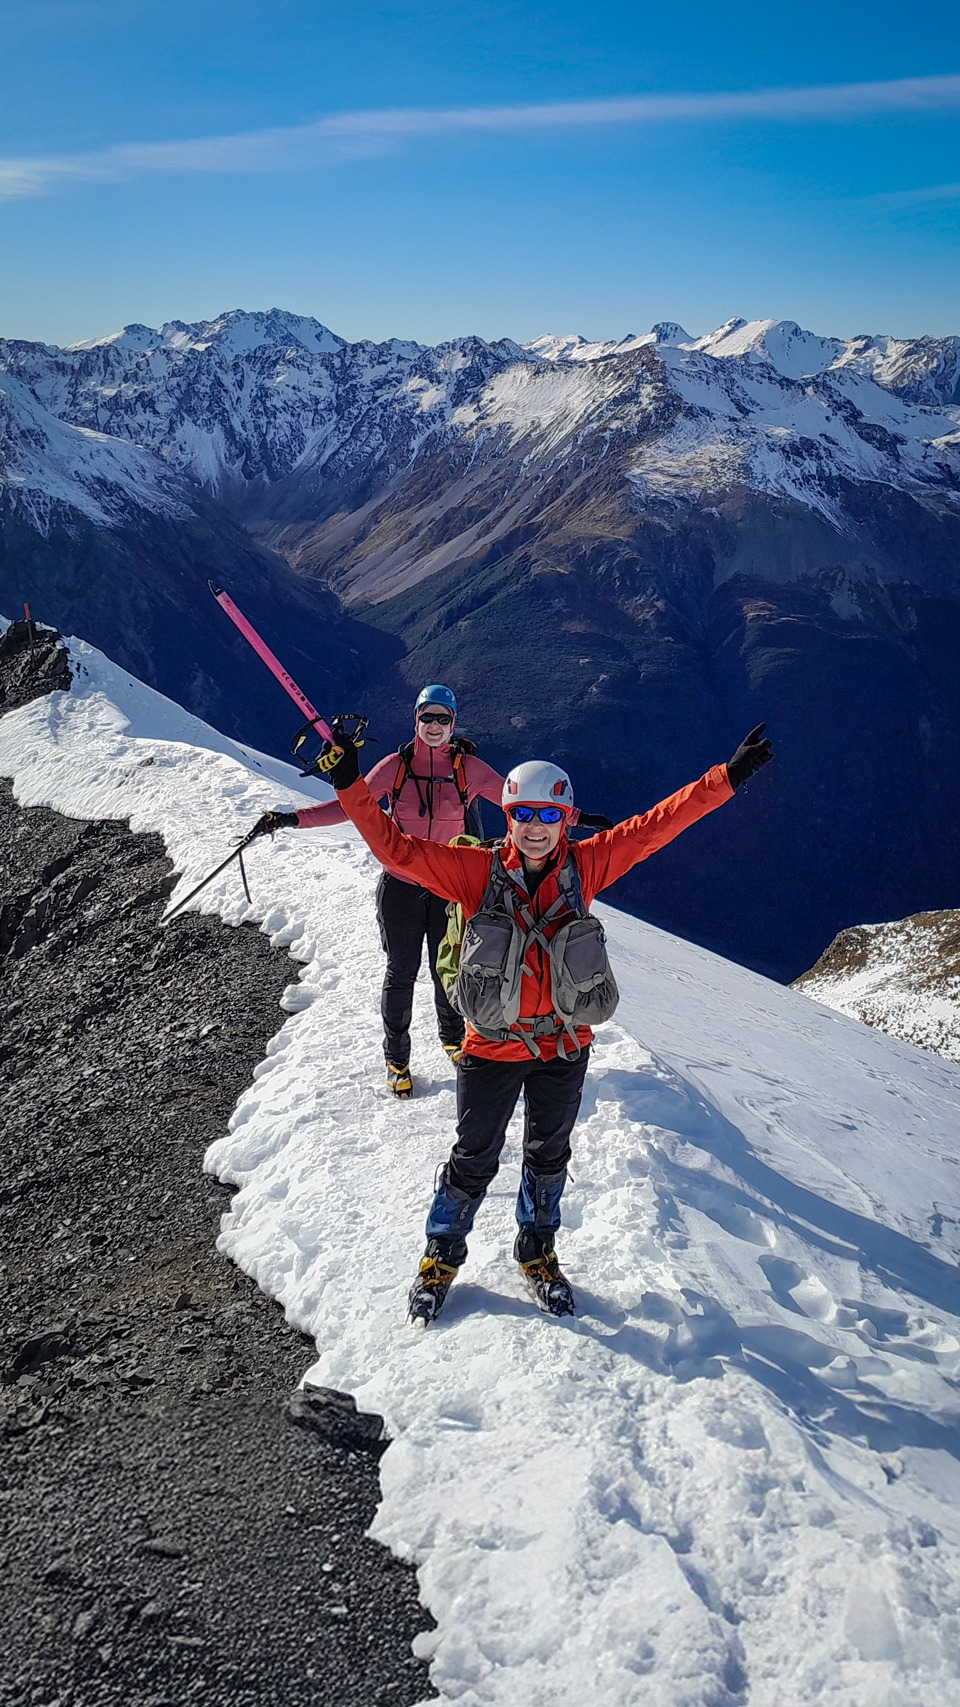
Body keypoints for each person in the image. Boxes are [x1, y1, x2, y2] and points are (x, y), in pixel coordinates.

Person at [317, 720, 774, 1324]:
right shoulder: (473, 872)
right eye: (523, 815)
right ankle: (440, 1257)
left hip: (563, 1045)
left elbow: (658, 825)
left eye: (548, 816)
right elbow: (396, 849)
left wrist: (726, 779)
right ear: (507, 816)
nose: (535, 829)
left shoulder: (587, 866)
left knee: (547, 1155)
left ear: (566, 818)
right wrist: (351, 785)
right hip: (492, 1047)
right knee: (473, 1157)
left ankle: (537, 1250)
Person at [251, 682, 613, 1098]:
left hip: (449, 886)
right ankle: (397, 1060)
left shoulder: (468, 769)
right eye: (428, 717)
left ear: (454, 722)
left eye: (443, 718)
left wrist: (575, 817)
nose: (435, 725)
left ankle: (454, 1041)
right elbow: (353, 806)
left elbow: (521, 801)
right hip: (402, 887)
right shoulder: (394, 767)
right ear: (416, 720)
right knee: (401, 973)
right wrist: (292, 819)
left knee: (453, 973)